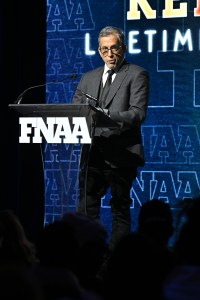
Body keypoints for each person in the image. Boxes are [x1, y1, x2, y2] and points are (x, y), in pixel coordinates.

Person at [72, 26, 149, 251]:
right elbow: (76, 109)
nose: (110, 54)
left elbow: (137, 114)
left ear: (123, 48)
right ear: (99, 51)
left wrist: (105, 116)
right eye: (105, 49)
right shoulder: (88, 78)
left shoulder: (137, 74)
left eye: (114, 48)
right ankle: (86, 258)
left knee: (120, 210)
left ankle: (115, 264)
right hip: (93, 155)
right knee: (86, 211)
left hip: (121, 154)